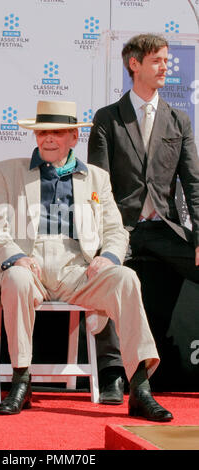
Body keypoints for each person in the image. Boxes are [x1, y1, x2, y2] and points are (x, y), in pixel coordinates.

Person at [0, 99, 173, 422]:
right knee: (14, 277)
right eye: (43, 132)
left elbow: (115, 230)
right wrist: (16, 258)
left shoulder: (96, 178)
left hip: (78, 270)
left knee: (126, 278)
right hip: (30, 264)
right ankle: (21, 381)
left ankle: (139, 389)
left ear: (73, 137)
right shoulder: (7, 172)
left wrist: (108, 257)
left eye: (57, 132)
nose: (48, 139)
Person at [88, 33, 199, 404]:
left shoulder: (179, 120)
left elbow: (193, 183)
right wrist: (103, 241)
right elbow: (97, 186)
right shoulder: (107, 119)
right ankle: (112, 374)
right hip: (121, 227)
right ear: (134, 64)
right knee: (104, 275)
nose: (166, 66)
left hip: (164, 227)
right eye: (157, 60)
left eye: (167, 60)